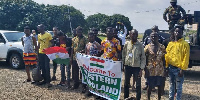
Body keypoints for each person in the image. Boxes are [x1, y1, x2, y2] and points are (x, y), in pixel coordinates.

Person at [165, 27, 190, 100]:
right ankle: (171, 98)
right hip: (170, 68)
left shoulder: (185, 44)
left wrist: (182, 69)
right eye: (176, 31)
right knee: (171, 85)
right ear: (173, 32)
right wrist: (166, 66)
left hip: (178, 69)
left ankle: (178, 99)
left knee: (178, 87)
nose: (177, 33)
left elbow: (186, 58)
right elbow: (167, 55)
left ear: (182, 33)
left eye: (179, 32)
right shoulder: (170, 44)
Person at [122, 29, 146, 100]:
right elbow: (124, 54)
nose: (134, 35)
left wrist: (141, 69)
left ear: (137, 35)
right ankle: (126, 98)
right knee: (126, 84)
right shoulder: (127, 44)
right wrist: (123, 65)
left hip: (137, 67)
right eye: (132, 34)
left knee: (138, 85)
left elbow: (143, 58)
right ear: (130, 35)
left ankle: (138, 98)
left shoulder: (140, 45)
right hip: (128, 67)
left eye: (135, 34)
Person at [144, 32, 166, 100]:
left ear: (158, 37)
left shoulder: (162, 47)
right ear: (150, 37)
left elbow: (164, 58)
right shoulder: (147, 47)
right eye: (152, 36)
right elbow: (144, 59)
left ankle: (159, 98)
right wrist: (145, 69)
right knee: (150, 86)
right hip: (150, 70)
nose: (154, 37)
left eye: (155, 36)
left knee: (160, 86)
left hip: (160, 69)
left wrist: (165, 69)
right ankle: (148, 98)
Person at [84, 32, 102, 97]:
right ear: (88, 37)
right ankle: (89, 90)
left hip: (95, 63)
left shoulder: (97, 44)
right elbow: (86, 52)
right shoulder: (87, 44)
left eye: (92, 37)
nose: (91, 38)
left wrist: (96, 56)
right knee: (89, 77)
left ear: (94, 37)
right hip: (88, 63)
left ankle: (96, 92)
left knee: (95, 77)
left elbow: (101, 52)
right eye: (89, 37)